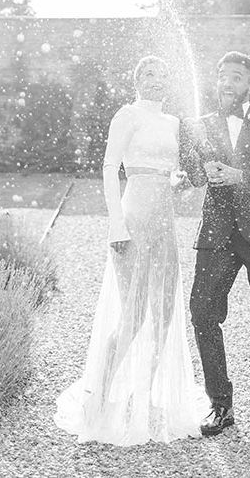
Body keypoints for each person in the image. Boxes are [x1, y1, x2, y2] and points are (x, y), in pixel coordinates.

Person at [55, 55, 208, 445]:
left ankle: (145, 393)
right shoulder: (126, 115)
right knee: (134, 314)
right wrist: (115, 224)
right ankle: (99, 396)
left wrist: (184, 182)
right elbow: (109, 168)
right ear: (136, 79)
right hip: (133, 219)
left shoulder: (173, 123)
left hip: (164, 224)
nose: (156, 80)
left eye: (162, 73)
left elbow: (173, 173)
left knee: (165, 313)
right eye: (149, 73)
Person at [181, 51, 250, 460]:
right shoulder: (200, 125)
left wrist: (240, 177)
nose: (228, 82)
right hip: (217, 233)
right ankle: (221, 404)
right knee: (202, 311)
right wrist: (195, 167)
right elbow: (192, 175)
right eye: (223, 75)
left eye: (237, 76)